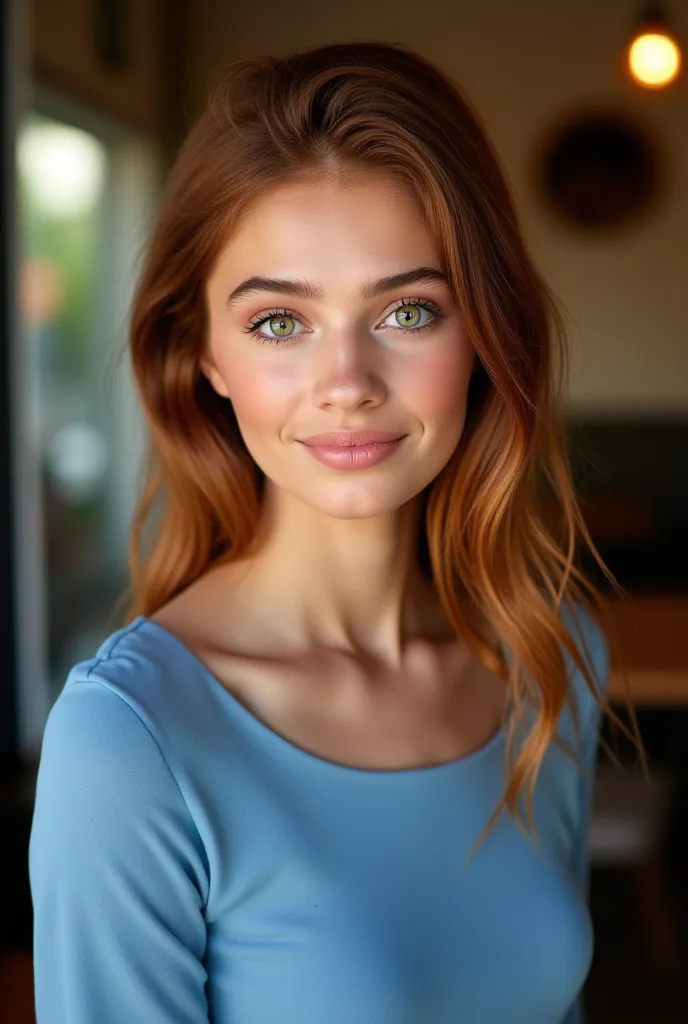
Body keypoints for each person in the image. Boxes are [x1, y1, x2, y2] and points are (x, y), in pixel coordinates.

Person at [29, 40, 617, 1023]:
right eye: (278, 323)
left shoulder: (550, 661)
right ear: (203, 354)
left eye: (407, 310)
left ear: (483, 334)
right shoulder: (129, 740)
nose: (346, 381)